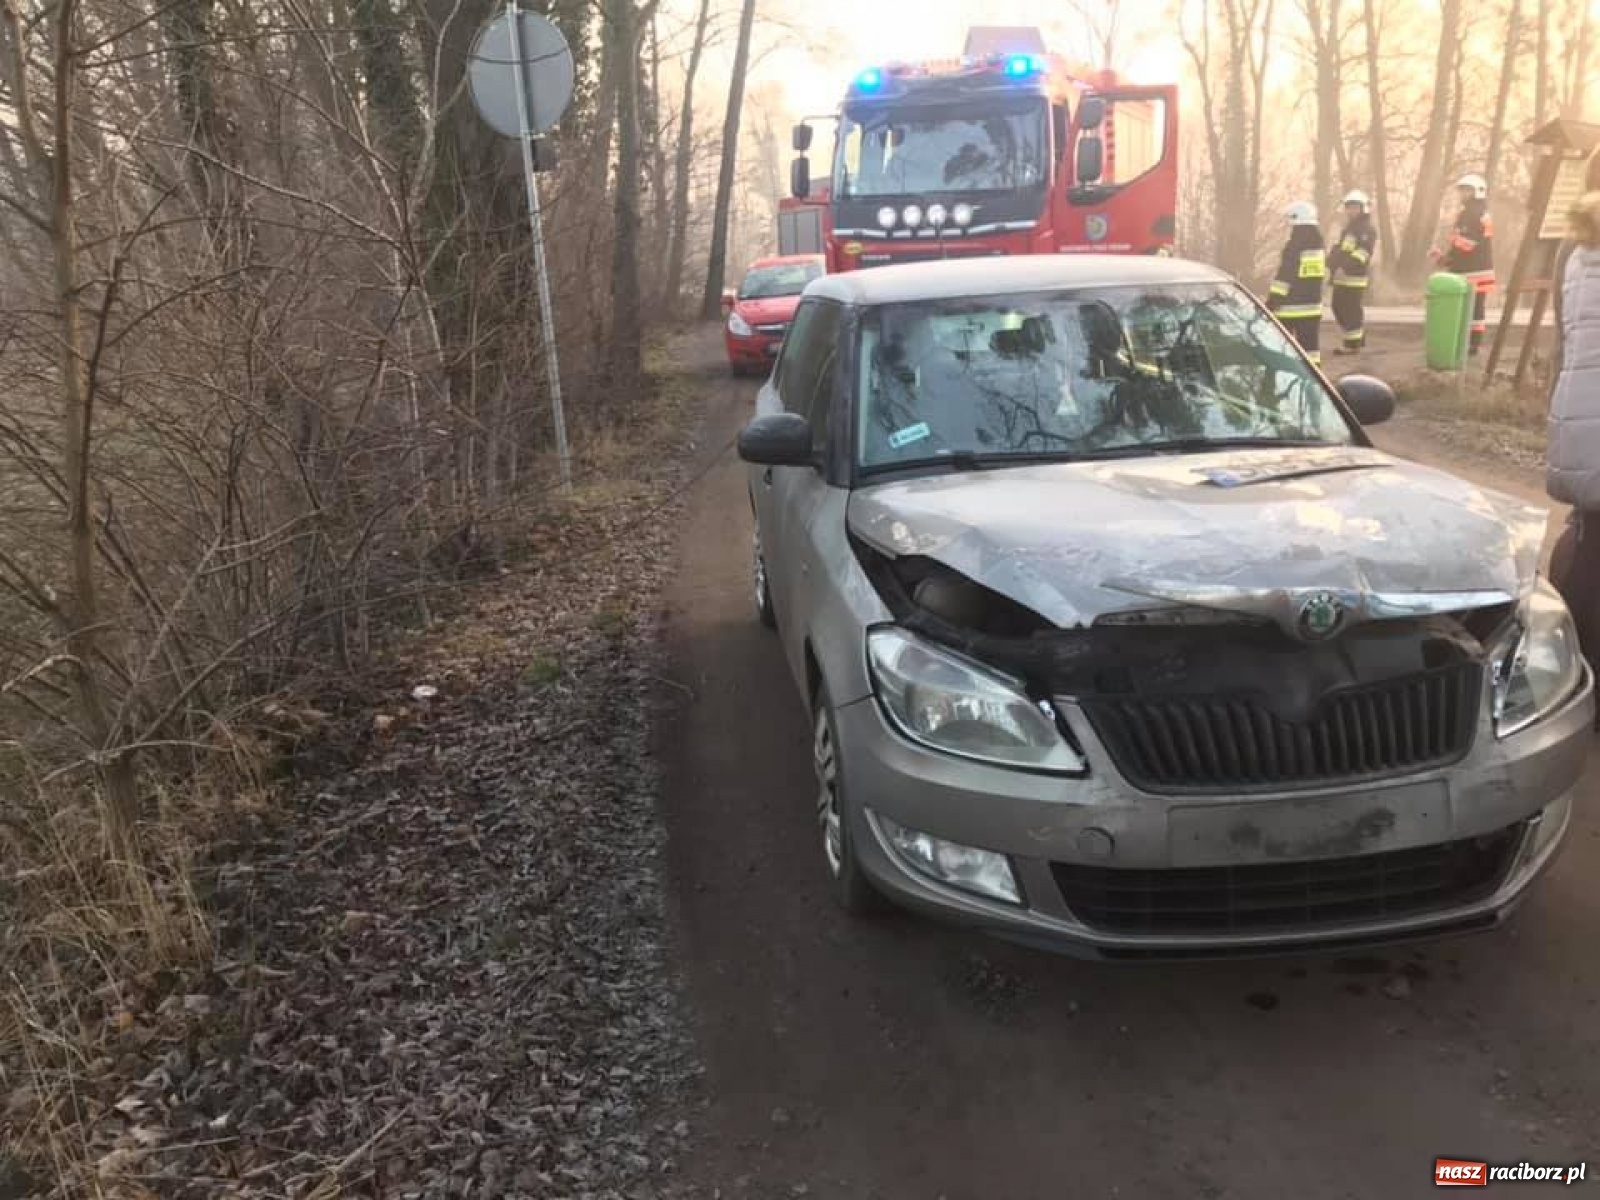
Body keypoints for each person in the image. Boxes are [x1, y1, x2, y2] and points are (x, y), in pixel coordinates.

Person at [1546, 187, 1600, 692]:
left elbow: (1565, 338)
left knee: (1586, 543)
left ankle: (1573, 676)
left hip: (1580, 416)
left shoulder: (1574, 249)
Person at [1434, 173, 1495, 355]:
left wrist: (1449, 257)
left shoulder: (1473, 214)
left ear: (1477, 191)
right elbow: (1463, 243)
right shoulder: (1476, 213)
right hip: (1479, 269)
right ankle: (1472, 344)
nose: (1463, 194)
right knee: (1476, 308)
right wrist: (1446, 257)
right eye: (1462, 190)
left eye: (1467, 190)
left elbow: (1469, 244)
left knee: (1471, 309)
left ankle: (1470, 345)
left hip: (1472, 270)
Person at [1267, 202, 1327, 364]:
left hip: (1291, 308)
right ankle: (1315, 381)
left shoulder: (1295, 245)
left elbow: (1286, 274)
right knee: (1311, 349)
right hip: (1313, 306)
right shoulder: (1318, 243)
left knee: (1282, 346)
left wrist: (1273, 299)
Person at [1327, 189, 1377, 354]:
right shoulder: (1350, 228)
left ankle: (1352, 345)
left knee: (1351, 310)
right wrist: (1330, 264)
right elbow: (1343, 249)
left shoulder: (1366, 229)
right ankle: (1356, 338)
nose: (1351, 210)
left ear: (1363, 208)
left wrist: (1345, 267)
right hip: (1341, 278)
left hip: (1354, 278)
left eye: (1355, 207)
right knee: (1337, 307)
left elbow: (1363, 252)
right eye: (1349, 207)